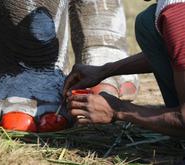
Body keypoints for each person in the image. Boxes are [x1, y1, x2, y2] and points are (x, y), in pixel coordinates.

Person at [63, 0, 185, 137]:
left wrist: (118, 109)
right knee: (147, 22)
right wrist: (104, 71)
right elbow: (173, 54)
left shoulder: (178, 14)